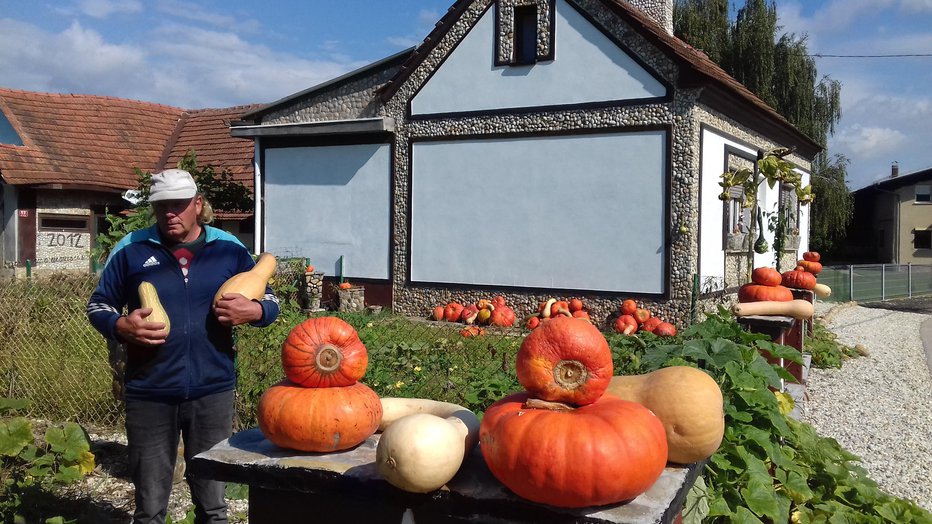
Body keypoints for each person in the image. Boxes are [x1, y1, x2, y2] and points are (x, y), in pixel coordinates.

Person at [87, 168, 280, 524]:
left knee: (213, 502)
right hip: (149, 391)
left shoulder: (228, 248)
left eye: (178, 204)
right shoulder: (131, 249)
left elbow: (271, 301)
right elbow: (98, 305)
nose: (169, 214)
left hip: (213, 389)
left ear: (198, 204)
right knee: (149, 504)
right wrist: (120, 325)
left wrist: (255, 309)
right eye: (162, 206)